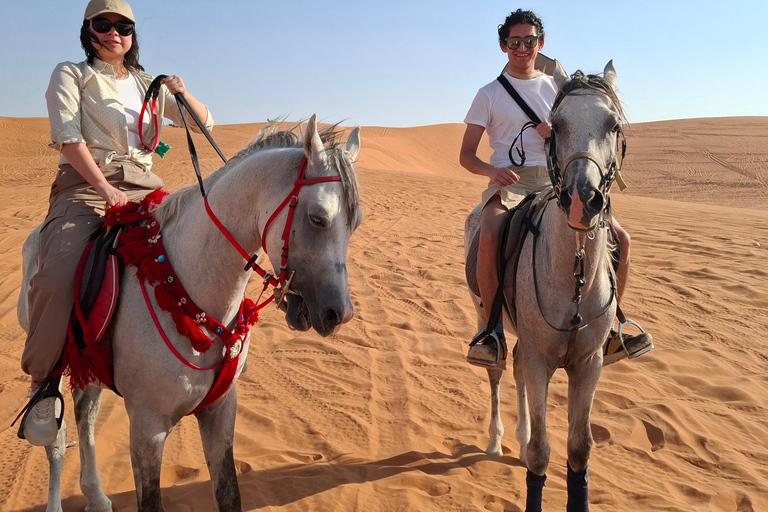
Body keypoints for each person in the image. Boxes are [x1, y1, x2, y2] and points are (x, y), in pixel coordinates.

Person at [19, 0, 214, 446]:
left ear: (132, 34)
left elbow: (203, 123)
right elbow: (68, 138)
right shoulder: (71, 74)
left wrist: (182, 93)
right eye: (102, 25)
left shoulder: (148, 83)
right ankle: (43, 385)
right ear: (87, 29)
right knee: (56, 274)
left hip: (147, 188)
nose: (113, 33)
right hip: (87, 186)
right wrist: (105, 190)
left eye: (123, 26)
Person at [460, 9, 652, 368]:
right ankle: (493, 331)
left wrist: (559, 131)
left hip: (555, 182)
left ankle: (611, 330)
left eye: (529, 41)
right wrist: (493, 171)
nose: (522, 48)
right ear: (504, 46)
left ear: (540, 44)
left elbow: (582, 129)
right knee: (488, 234)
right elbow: (465, 155)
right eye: (514, 42)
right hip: (510, 183)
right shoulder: (488, 94)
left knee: (621, 239)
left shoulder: (557, 90)